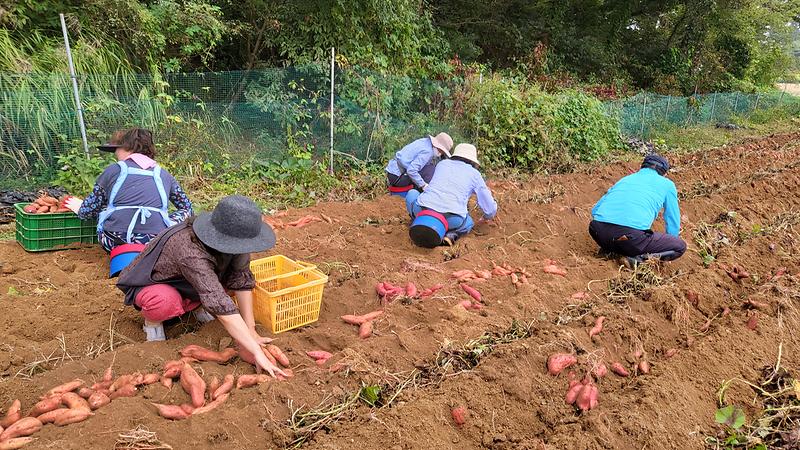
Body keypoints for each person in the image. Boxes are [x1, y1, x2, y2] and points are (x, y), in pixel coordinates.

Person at [116, 195, 285, 377]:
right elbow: (217, 298)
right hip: (157, 284)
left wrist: (251, 330)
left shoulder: (236, 242)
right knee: (164, 302)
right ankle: (153, 323)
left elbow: (241, 279)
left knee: (227, 284)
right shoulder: (188, 248)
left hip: (194, 282)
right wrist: (256, 351)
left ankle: (197, 306)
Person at [64, 128, 193, 254]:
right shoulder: (164, 175)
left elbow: (88, 211)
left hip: (114, 242)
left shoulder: (113, 170)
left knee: (104, 208)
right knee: (183, 213)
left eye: (117, 149)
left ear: (127, 148)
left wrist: (80, 207)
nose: (116, 153)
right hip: (156, 243)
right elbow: (187, 208)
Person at [589, 154, 687, 267]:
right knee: (679, 246)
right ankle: (636, 260)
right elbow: (672, 219)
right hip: (629, 238)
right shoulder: (667, 184)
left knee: (624, 236)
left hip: (597, 230)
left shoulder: (625, 179)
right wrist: (669, 243)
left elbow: (595, 210)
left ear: (642, 167)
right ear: (664, 174)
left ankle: (610, 249)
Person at [405, 143, 497, 246]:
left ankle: (419, 221)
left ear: (455, 155)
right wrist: (486, 217)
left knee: (412, 193)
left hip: (422, 209)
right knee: (469, 222)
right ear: (472, 161)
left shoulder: (442, 164)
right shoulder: (474, 174)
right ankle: (451, 235)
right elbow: (490, 208)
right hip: (451, 219)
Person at [385, 132, 453, 196]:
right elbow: (411, 170)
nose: (441, 154)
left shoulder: (424, 142)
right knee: (430, 170)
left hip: (392, 172)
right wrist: (423, 185)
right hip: (398, 177)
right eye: (442, 151)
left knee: (428, 167)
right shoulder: (428, 152)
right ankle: (426, 196)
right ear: (439, 147)